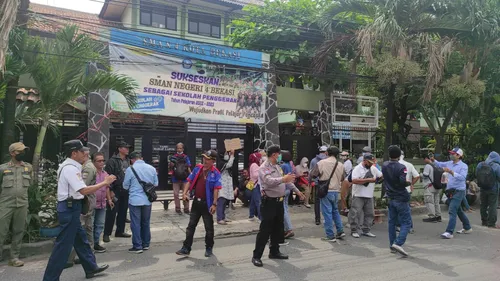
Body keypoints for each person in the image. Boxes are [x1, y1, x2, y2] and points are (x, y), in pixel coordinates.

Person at [42, 140, 116, 281]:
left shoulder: (72, 166)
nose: (86, 155)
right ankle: (50, 278)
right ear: (74, 153)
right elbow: (83, 190)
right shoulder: (70, 168)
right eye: (83, 152)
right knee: (63, 246)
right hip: (69, 208)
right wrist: (105, 183)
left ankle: (90, 267)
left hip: (72, 207)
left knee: (81, 239)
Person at [252, 145, 296, 267]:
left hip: (279, 201)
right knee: (265, 230)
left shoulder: (278, 166)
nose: (280, 156)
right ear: (274, 155)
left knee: (278, 229)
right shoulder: (263, 168)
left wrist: (297, 191)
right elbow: (268, 181)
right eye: (279, 154)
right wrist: (283, 179)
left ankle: (274, 251)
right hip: (269, 202)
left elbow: (286, 181)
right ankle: (256, 256)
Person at [176, 150, 221, 258]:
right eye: (204, 158)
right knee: (191, 226)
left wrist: (214, 204)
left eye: (208, 159)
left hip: (208, 204)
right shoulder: (198, 169)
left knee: (209, 228)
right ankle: (186, 248)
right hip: (197, 202)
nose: (205, 160)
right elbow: (189, 181)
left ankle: (209, 248)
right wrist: (185, 193)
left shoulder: (216, 173)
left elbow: (216, 189)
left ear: (213, 161)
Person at [0, 142, 33, 267]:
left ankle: (14, 258)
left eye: (24, 151)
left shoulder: (28, 167)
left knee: (19, 231)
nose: (22, 154)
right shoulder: (3, 168)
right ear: (12, 153)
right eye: (20, 151)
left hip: (22, 204)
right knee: (1, 231)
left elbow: (30, 184)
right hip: (5, 204)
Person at [432, 148, 472, 239]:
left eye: (453, 154)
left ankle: (449, 232)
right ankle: (467, 227)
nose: (451, 155)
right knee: (458, 210)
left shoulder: (463, 166)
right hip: (450, 190)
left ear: (459, 155)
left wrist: (450, 171)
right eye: (451, 153)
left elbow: (462, 178)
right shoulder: (449, 163)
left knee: (452, 209)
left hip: (459, 190)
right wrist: (433, 160)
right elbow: (440, 164)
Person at [123, 151, 158, 253]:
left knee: (135, 223)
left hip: (135, 200)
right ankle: (146, 243)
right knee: (146, 222)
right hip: (147, 200)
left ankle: (137, 246)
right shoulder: (151, 168)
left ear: (132, 159)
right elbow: (156, 183)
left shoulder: (130, 169)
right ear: (141, 158)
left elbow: (125, 186)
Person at [67, 148, 96, 266]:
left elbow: (82, 186)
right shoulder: (82, 166)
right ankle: (88, 254)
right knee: (86, 227)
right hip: (86, 200)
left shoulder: (88, 167)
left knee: (81, 228)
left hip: (86, 201)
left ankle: (73, 257)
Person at [311, 146, 346, 242]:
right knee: (335, 211)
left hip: (326, 191)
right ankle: (340, 231)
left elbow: (313, 175)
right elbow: (343, 178)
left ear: (327, 153)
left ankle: (330, 235)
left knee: (327, 213)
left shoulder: (321, 163)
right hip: (336, 191)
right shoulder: (341, 165)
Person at [382, 145, 411, 256]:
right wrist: (408, 182)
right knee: (406, 222)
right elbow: (402, 181)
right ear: (399, 155)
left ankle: (392, 245)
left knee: (392, 222)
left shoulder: (384, 165)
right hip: (401, 197)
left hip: (390, 196)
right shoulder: (401, 167)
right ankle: (398, 243)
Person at [103, 141, 132, 242]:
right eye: (125, 147)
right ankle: (107, 233)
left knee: (123, 211)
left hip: (125, 189)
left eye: (128, 148)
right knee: (111, 212)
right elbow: (108, 176)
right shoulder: (112, 161)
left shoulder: (128, 160)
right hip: (115, 189)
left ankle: (120, 231)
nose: (127, 149)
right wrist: (110, 190)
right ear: (119, 149)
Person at [349, 154, 382, 238]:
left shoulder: (373, 168)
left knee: (370, 213)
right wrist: (368, 180)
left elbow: (381, 175)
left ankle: (366, 230)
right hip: (358, 194)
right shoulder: (357, 168)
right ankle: (354, 230)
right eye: (369, 162)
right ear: (365, 161)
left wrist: (378, 180)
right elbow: (354, 180)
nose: (371, 164)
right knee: (355, 213)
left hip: (369, 195)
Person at [280, 150, 305, 240]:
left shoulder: (283, 166)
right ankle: (286, 228)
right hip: (288, 188)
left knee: (284, 210)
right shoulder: (289, 165)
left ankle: (288, 229)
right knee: (285, 208)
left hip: (284, 188)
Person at [91, 153, 113, 253]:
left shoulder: (105, 174)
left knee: (99, 224)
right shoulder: (91, 173)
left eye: (103, 161)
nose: (101, 163)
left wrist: (109, 200)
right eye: (99, 161)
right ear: (93, 162)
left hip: (102, 203)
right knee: (90, 225)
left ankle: (96, 243)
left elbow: (107, 188)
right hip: (92, 203)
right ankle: (89, 245)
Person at [476, 152, 500, 229]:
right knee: (492, 205)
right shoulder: (497, 166)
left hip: (483, 188)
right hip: (493, 189)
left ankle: (484, 221)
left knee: (483, 205)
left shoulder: (480, 165)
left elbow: (477, 174)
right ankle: (491, 223)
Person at [399, 151, 419, 233]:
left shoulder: (393, 164)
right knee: (406, 209)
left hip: (397, 191)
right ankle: (409, 227)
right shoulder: (409, 165)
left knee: (397, 209)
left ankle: (399, 226)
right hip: (407, 190)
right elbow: (417, 176)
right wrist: (411, 184)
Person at [169, 143, 191, 214]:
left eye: (180, 148)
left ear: (183, 149)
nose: (179, 149)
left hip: (185, 179)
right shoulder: (173, 157)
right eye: (178, 148)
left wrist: (191, 176)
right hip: (176, 178)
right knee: (176, 194)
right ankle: (177, 208)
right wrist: (171, 164)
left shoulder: (186, 157)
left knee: (186, 193)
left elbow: (188, 167)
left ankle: (186, 208)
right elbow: (170, 168)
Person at [309, 145, 328, 225]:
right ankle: (327, 219)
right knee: (327, 201)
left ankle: (317, 219)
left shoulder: (314, 160)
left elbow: (311, 172)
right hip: (327, 183)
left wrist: (310, 181)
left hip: (317, 183)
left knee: (317, 202)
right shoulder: (328, 160)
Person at [422, 154, 442, 223]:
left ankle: (432, 217)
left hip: (430, 186)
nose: (424, 161)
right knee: (436, 202)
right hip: (437, 186)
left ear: (426, 158)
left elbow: (425, 175)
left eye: (424, 159)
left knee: (429, 201)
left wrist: (420, 174)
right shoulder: (436, 165)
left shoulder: (428, 166)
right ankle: (438, 216)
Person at [217, 151, 235, 225]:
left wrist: (231, 155)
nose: (227, 155)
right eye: (226, 154)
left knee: (225, 202)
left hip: (226, 184)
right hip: (221, 185)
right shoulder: (220, 163)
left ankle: (223, 217)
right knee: (221, 201)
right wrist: (232, 155)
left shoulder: (224, 161)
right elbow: (229, 164)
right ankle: (219, 218)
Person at [248, 152, 262, 221]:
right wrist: (261, 172)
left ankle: (251, 215)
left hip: (254, 184)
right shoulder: (254, 165)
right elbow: (255, 175)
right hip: (256, 185)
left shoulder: (254, 165)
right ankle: (260, 217)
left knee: (253, 201)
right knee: (258, 201)